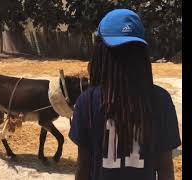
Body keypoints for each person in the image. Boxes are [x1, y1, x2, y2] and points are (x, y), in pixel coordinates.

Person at [69, 9, 181, 180]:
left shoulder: (87, 101)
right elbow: (165, 169)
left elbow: (83, 168)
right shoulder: (161, 100)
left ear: (101, 53)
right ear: (142, 52)